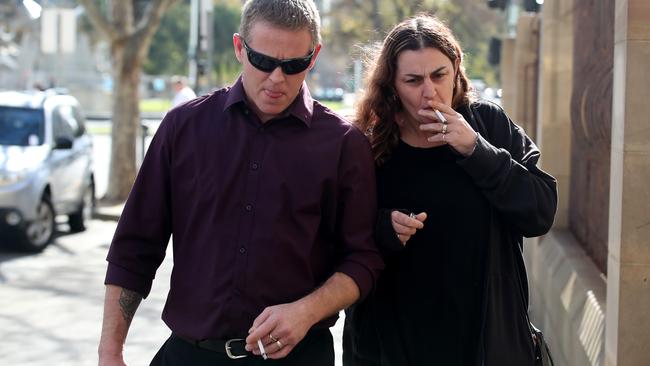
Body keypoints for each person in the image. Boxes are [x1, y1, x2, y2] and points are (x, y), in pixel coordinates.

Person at [97, 1, 384, 365]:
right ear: (238, 48)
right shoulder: (182, 128)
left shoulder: (345, 145)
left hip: (298, 357)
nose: (277, 78)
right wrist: (110, 353)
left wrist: (306, 311)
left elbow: (363, 259)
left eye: (294, 64)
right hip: (188, 354)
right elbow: (133, 248)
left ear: (314, 57)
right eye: (264, 61)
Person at [343, 15, 557, 366]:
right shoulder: (370, 145)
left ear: (456, 67)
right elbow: (338, 239)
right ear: (392, 85)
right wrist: (382, 229)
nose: (429, 91)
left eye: (439, 75)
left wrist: (477, 150)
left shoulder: (488, 124)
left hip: (484, 348)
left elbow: (541, 211)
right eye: (413, 80)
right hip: (393, 348)